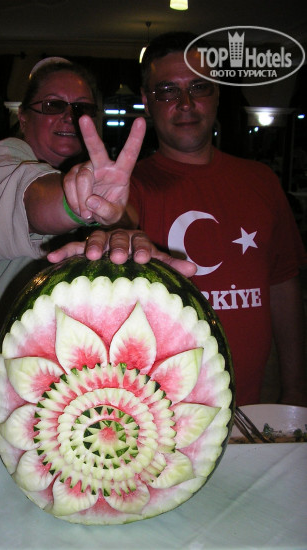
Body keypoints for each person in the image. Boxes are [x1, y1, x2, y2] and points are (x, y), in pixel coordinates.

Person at [0, 57, 193, 422]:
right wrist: (76, 201)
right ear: (24, 117)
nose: (68, 117)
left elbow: (121, 222)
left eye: (81, 109)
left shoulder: (96, 180)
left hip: (43, 379)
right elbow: (36, 200)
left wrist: (111, 216)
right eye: (52, 105)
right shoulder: (2, 160)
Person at [124, 32, 307, 407]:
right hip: (158, 414)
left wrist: (295, 389)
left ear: (218, 93)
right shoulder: (130, 188)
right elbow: (116, 227)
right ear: (147, 101)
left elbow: (284, 285)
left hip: (249, 409)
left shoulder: (261, 181)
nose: (186, 103)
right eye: (167, 91)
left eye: (199, 87)